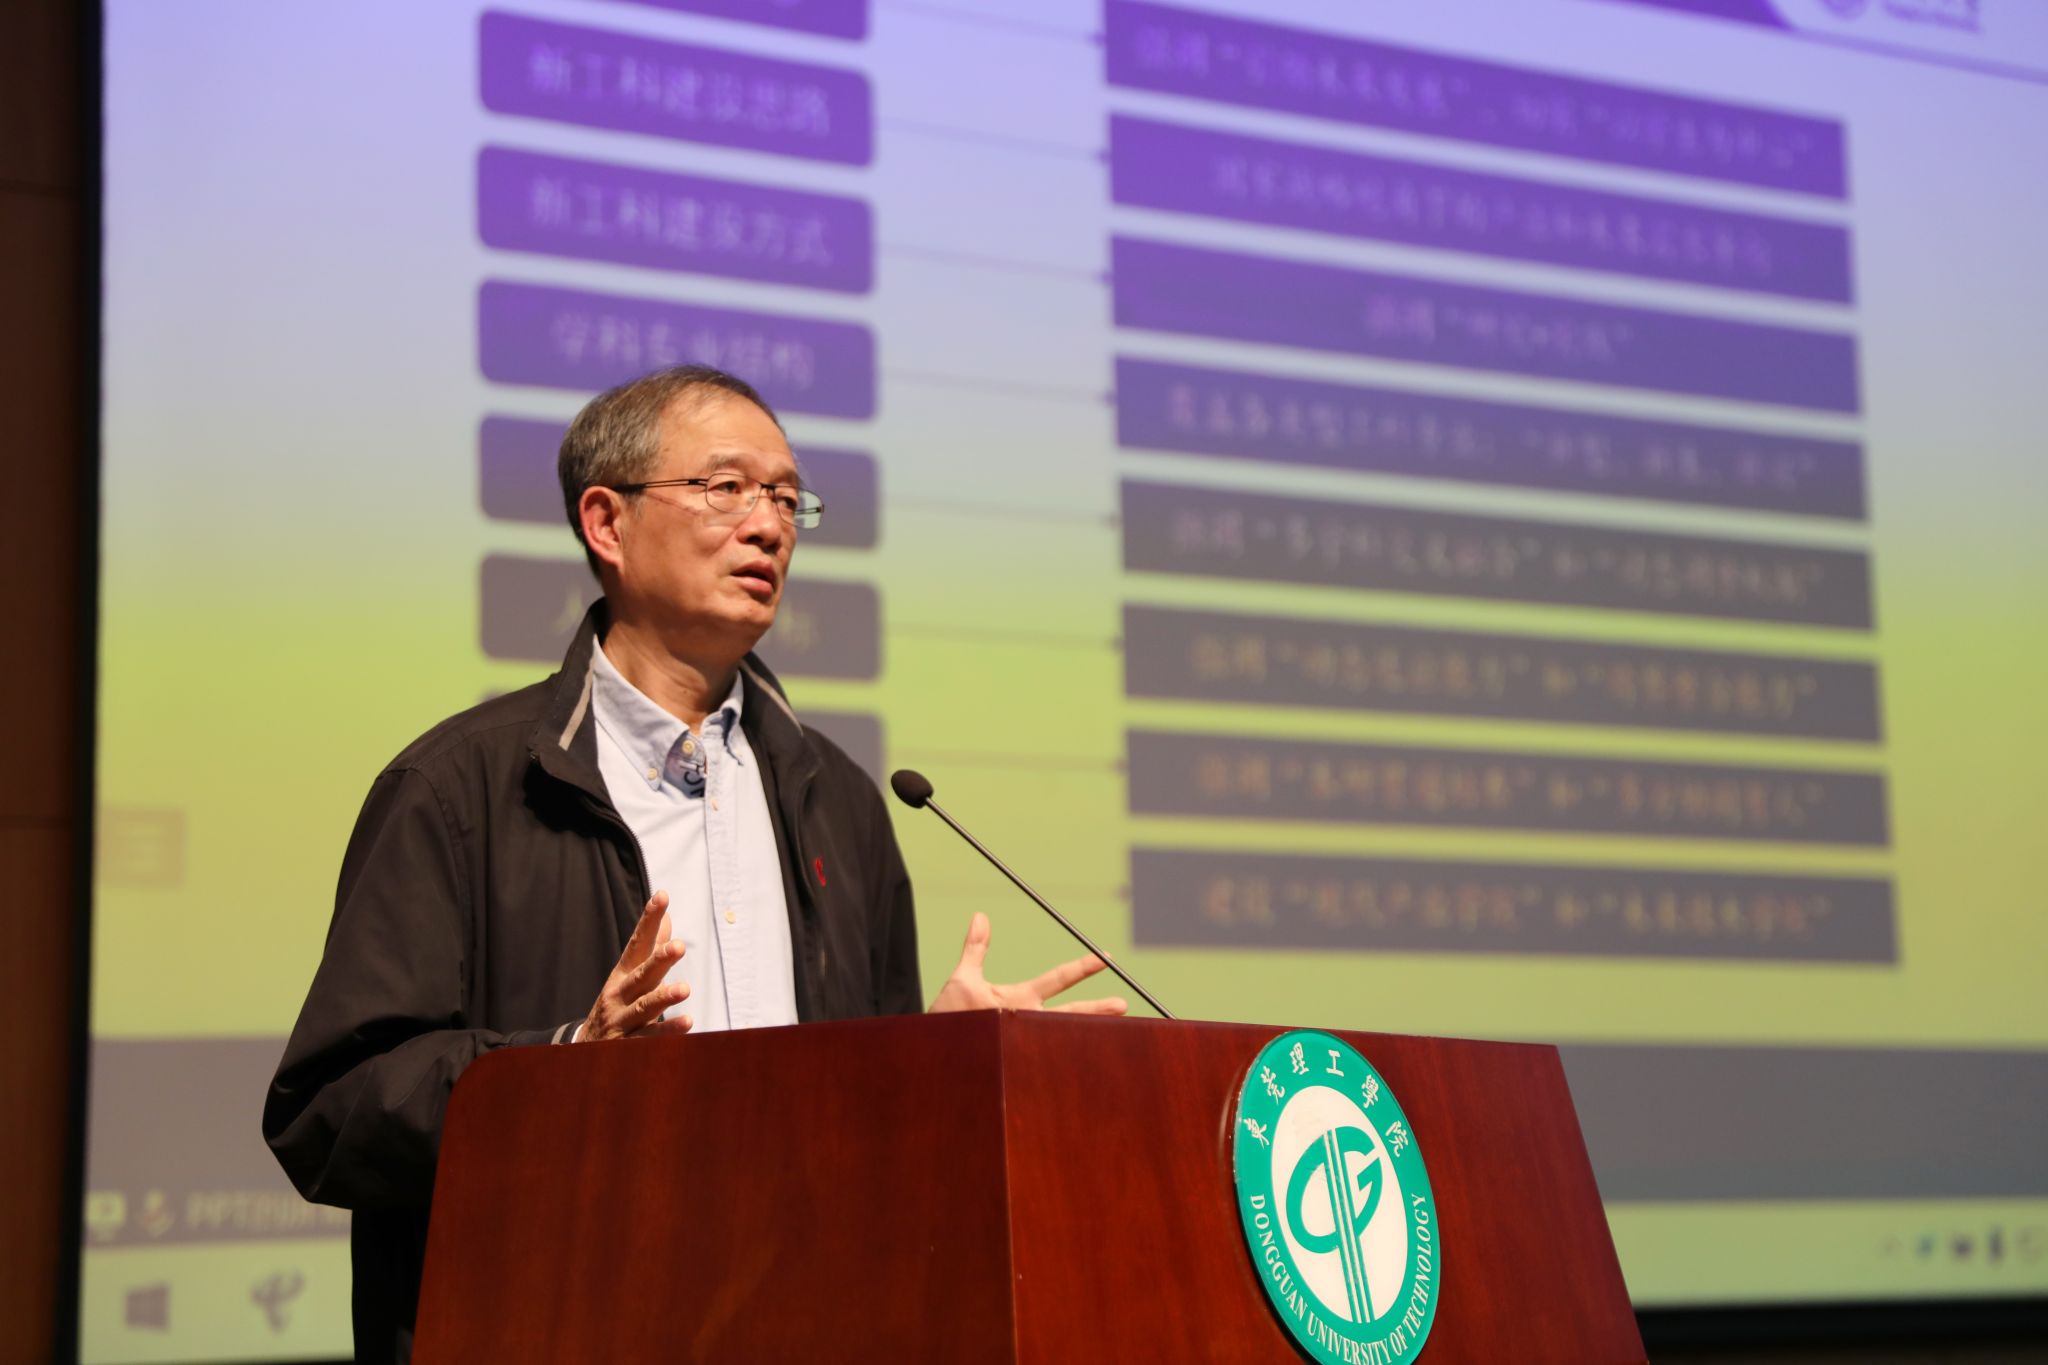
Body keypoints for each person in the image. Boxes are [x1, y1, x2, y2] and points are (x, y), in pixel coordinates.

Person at [263, 364, 1126, 1363]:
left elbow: (862, 1147)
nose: (768, 526)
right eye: (726, 488)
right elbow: (328, 1113)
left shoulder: (839, 803)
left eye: (785, 498)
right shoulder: (459, 791)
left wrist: (935, 1067)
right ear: (606, 521)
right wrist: (561, 1068)